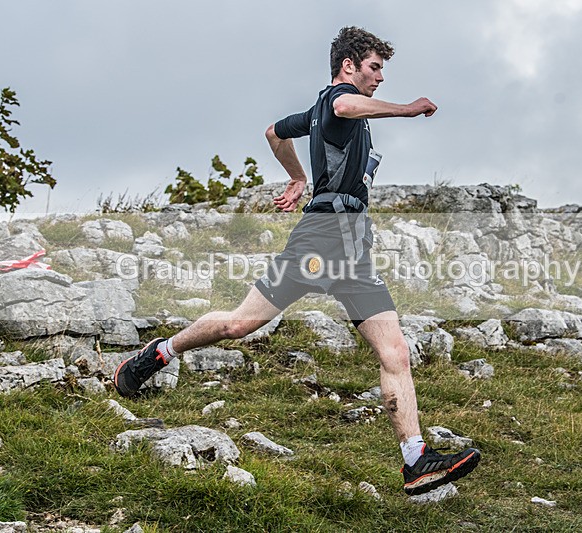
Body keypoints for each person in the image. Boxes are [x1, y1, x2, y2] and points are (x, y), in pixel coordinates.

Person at [113, 26, 480, 495]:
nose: (381, 77)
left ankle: (416, 460)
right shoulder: (336, 101)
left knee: (396, 352)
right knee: (239, 325)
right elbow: (345, 105)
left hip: (352, 250)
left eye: (383, 70)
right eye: (375, 67)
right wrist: (407, 110)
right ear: (348, 66)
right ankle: (155, 355)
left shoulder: (320, 113)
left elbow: (273, 131)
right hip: (318, 241)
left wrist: (297, 177)